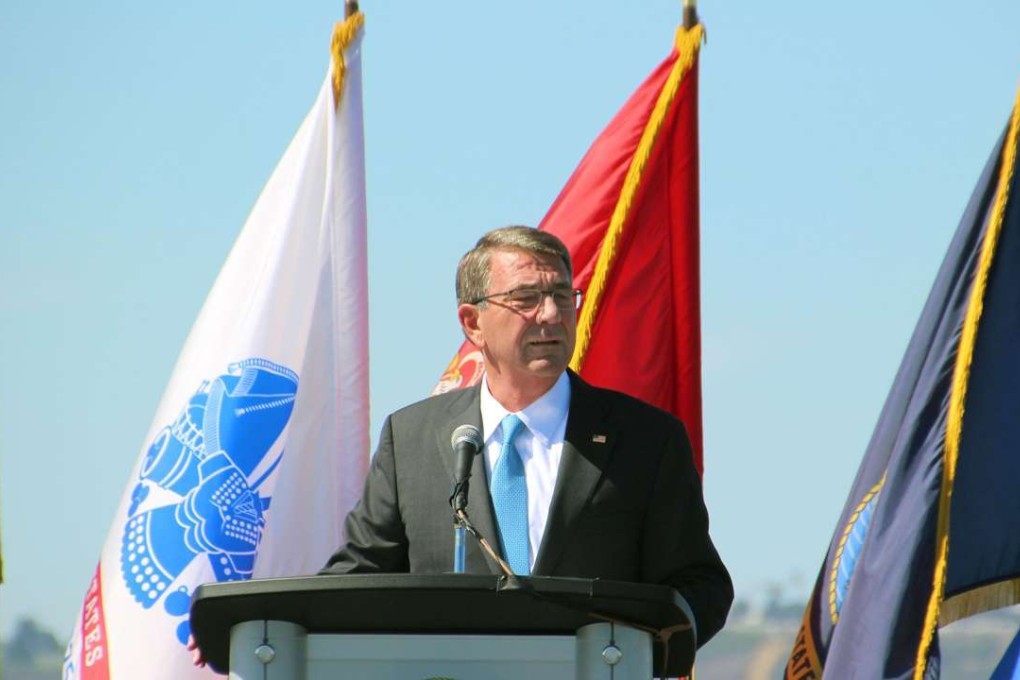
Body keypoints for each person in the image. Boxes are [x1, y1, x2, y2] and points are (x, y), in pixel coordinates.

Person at [322, 226, 733, 646]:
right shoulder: (411, 439)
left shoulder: (645, 438)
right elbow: (360, 579)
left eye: (561, 296)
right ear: (472, 323)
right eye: (526, 299)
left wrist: (634, 651)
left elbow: (699, 585)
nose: (551, 315)